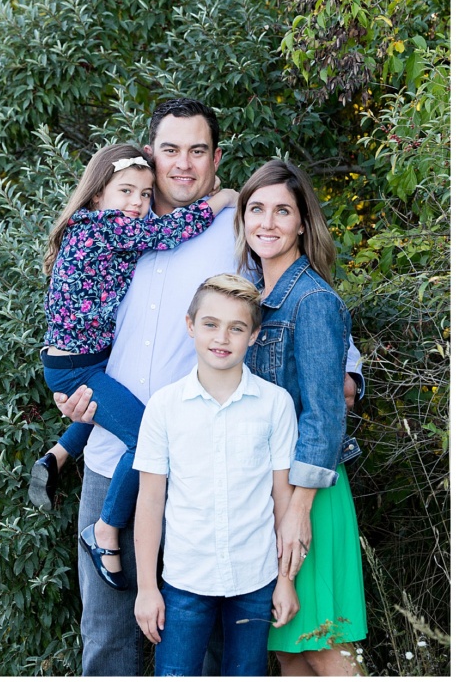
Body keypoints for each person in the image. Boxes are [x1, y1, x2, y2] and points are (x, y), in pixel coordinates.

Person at [54, 98, 364, 676]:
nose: (183, 164)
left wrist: (348, 368)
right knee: (108, 636)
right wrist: (67, 396)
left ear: (216, 157)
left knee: (227, 635)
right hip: (111, 457)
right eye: (170, 150)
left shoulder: (236, 229)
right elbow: (71, 319)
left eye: (198, 151)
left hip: (215, 464)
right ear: (150, 154)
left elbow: (297, 297)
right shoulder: (114, 230)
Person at [32, 143, 237, 590]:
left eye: (145, 195)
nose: (137, 204)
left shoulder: (94, 231)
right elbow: (166, 234)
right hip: (78, 368)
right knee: (145, 438)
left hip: (85, 361)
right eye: (126, 190)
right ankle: (104, 531)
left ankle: (58, 455)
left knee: (107, 405)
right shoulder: (103, 229)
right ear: (96, 196)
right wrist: (219, 200)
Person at [236, 160, 367, 675]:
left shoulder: (311, 300)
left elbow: (325, 415)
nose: (268, 222)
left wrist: (297, 511)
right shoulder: (259, 299)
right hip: (271, 493)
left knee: (323, 646)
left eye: (282, 211)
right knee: (290, 652)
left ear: (302, 223)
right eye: (256, 209)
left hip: (309, 495)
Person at [134, 274, 299, 676]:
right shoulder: (164, 406)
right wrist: (146, 588)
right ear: (190, 326)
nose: (222, 337)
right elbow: (151, 501)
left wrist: (285, 580)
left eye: (236, 327)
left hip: (255, 578)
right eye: (210, 324)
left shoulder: (275, 405)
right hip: (185, 579)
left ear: (254, 335)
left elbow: (282, 500)